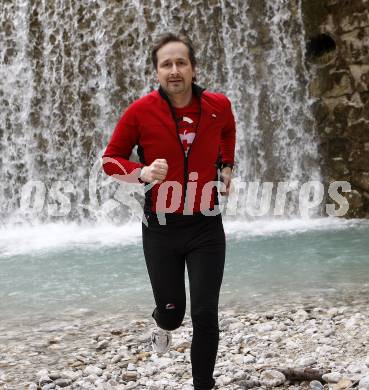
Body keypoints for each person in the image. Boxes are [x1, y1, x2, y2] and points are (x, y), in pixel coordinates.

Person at [102, 32, 236, 390]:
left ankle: (203, 385)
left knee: (206, 313)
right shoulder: (140, 111)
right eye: (166, 64)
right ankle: (162, 322)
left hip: (206, 225)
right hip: (160, 229)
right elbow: (110, 161)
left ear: (192, 68)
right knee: (174, 315)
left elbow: (227, 133)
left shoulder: (218, 105)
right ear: (157, 72)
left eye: (181, 62)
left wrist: (226, 167)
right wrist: (141, 172)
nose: (174, 70)